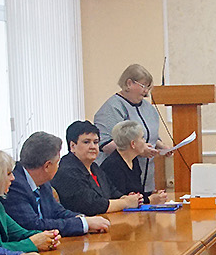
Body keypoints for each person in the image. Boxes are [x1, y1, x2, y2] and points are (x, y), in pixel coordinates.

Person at [0, 131, 111, 237]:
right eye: (57, 162)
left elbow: (57, 211)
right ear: (47, 166)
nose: (58, 166)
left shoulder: (42, 181)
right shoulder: (14, 185)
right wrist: (83, 224)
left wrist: (82, 219)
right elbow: (33, 225)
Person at [0, 148, 63, 254]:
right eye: (8, 173)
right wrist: (32, 243)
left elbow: (20, 234)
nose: (13, 178)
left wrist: (47, 237)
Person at [93, 63, 171, 194]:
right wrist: (139, 150)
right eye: (143, 86)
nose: (146, 91)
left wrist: (162, 147)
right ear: (129, 83)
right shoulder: (111, 108)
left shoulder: (149, 108)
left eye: (148, 87)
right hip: (119, 177)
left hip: (146, 177)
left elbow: (149, 136)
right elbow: (105, 144)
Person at [54, 120, 143, 216]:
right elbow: (93, 205)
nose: (93, 147)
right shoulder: (67, 171)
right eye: (86, 142)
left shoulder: (94, 167)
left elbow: (113, 192)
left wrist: (127, 198)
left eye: (96, 142)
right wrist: (126, 203)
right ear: (72, 146)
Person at [100, 120, 169, 203]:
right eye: (142, 138)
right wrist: (150, 199)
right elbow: (121, 199)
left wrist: (153, 195)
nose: (144, 141)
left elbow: (137, 193)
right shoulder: (113, 166)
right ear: (133, 144)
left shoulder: (133, 160)